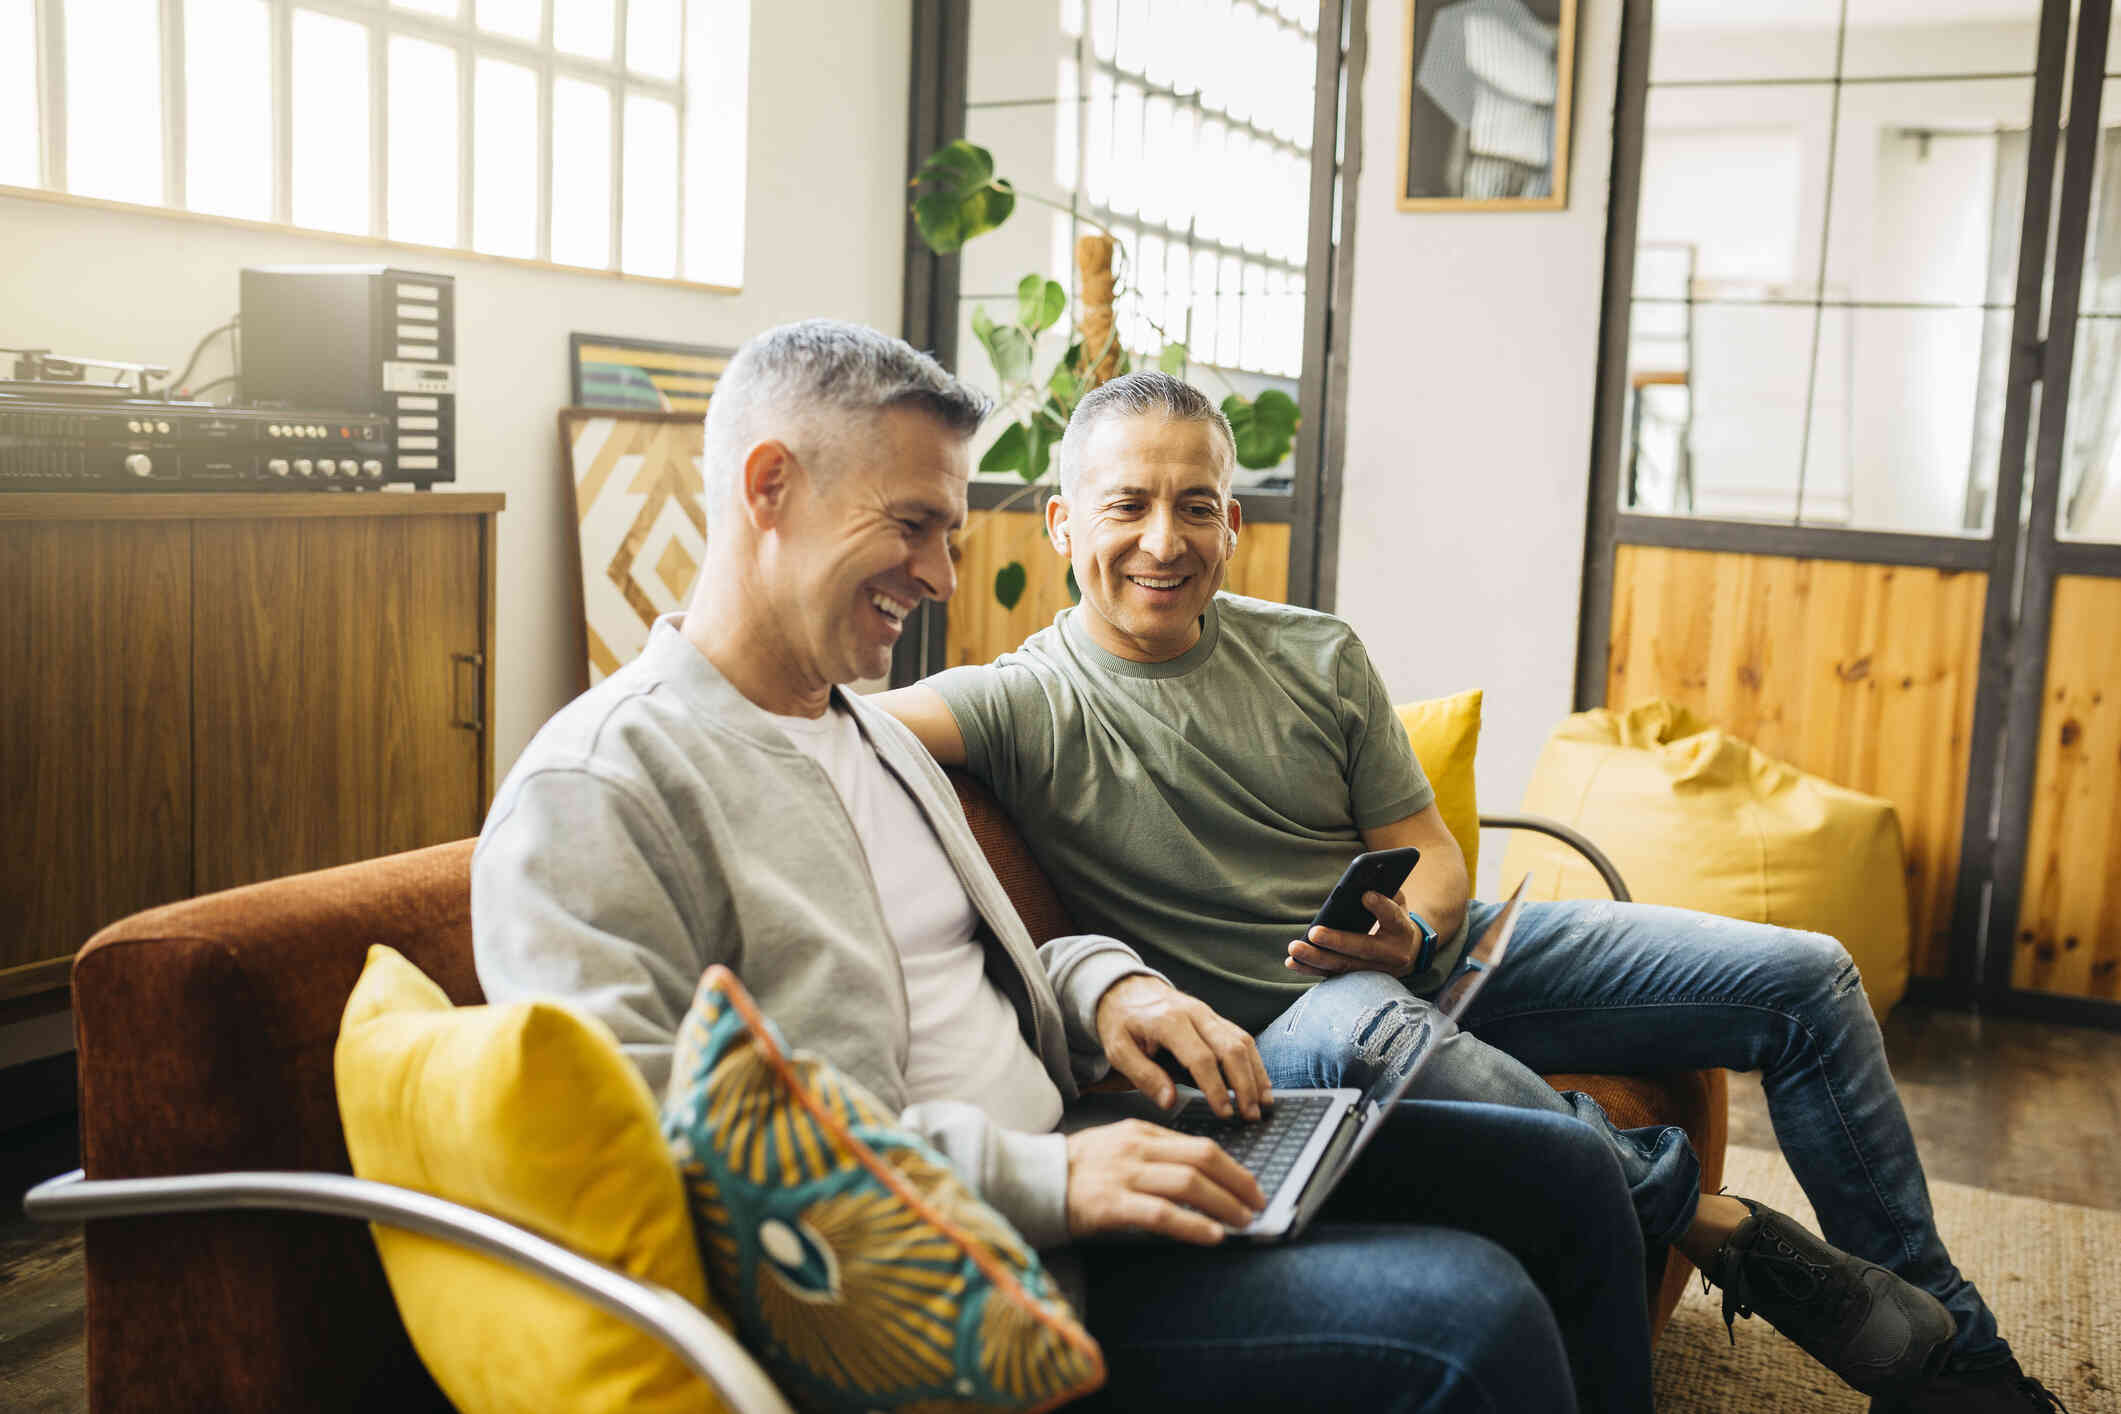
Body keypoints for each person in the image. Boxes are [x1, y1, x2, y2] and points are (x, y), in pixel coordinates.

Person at [472, 321, 1657, 1413]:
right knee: (1472, 1316)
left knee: (1568, 1176)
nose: (940, 575)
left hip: (1098, 1136)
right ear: (769, 485)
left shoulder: (871, 734)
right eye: (914, 524)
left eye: (947, 531)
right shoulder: (598, 793)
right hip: (982, 1268)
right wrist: (1050, 1179)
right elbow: (671, 1148)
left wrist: (1109, 985)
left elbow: (974, 958)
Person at [876, 370, 2069, 1414]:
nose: (1162, 539)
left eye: (1196, 505)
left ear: (1234, 521)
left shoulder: (1314, 650)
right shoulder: (1019, 701)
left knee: (1806, 976)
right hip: (1299, 1031)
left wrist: (1421, 924)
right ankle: (1711, 1224)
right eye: (1126, 505)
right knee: (1370, 1019)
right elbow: (833, 719)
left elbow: (1430, 847)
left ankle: (1957, 1363)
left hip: (1459, 956)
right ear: (1061, 518)